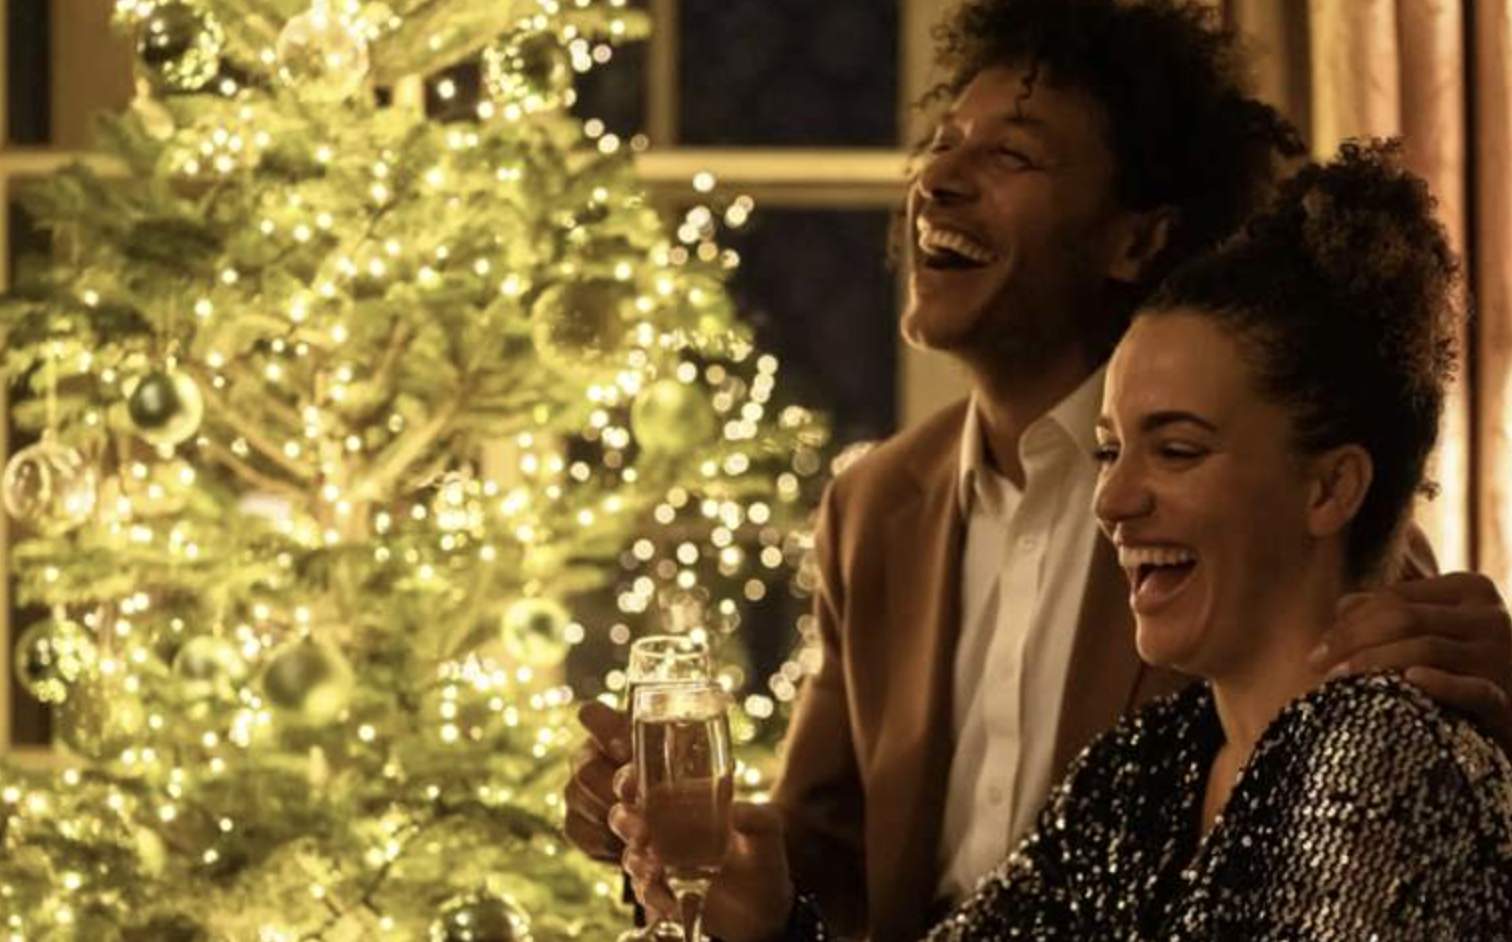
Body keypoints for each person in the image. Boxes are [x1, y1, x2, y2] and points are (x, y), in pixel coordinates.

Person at [568, 1, 1512, 937]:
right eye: (940, 143)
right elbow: (819, 857)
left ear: (1137, 237)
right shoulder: (875, 505)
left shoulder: (1281, 494)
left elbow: (1406, 731)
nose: (937, 177)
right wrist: (697, 865)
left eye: (1010, 155)